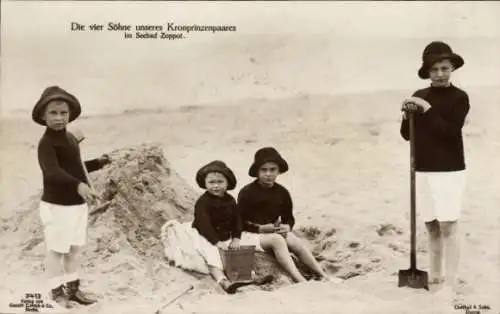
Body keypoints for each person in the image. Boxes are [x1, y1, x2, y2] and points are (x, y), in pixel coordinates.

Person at [400, 41, 469, 298]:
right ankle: (436, 276)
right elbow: (407, 135)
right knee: (431, 226)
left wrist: (426, 110)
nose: (440, 74)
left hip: (450, 170)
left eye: (444, 68)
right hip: (423, 169)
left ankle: (451, 283)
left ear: (452, 69)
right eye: (434, 69)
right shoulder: (419, 94)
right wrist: (408, 116)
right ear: (427, 72)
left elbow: (450, 133)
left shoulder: (459, 97)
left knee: (448, 225)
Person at [33, 86, 111, 308]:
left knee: (74, 250)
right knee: (57, 251)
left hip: (77, 205)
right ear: (42, 116)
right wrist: (78, 186)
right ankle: (57, 293)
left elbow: (75, 167)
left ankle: (73, 290)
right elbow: (53, 172)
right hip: (56, 205)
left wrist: (98, 163)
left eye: (63, 113)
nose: (59, 118)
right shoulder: (46, 143)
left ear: (70, 114)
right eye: (53, 113)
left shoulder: (69, 138)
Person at [238, 147, 330, 283]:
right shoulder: (247, 193)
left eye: (272, 169)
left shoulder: (282, 192)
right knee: (278, 240)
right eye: (264, 170)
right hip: (249, 234)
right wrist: (260, 229)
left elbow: (289, 217)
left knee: (294, 241)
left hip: (271, 231)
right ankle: (300, 279)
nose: (268, 174)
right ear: (257, 171)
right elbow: (238, 222)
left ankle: (322, 274)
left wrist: (287, 226)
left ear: (279, 170)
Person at [192, 160, 258, 294]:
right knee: (212, 257)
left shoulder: (230, 200)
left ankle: (247, 276)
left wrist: (236, 237)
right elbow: (204, 225)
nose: (216, 186)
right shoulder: (203, 202)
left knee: (238, 250)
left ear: (227, 183)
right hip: (206, 235)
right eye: (211, 182)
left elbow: (237, 220)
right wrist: (216, 242)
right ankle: (223, 281)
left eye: (220, 182)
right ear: (205, 184)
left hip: (225, 235)